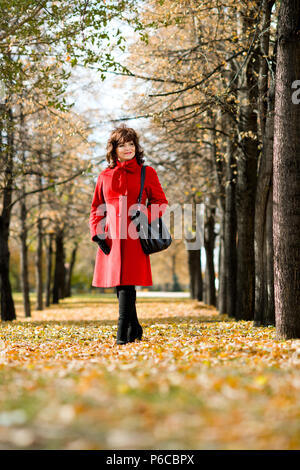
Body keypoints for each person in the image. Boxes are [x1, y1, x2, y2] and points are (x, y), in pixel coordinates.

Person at [89, 124, 169, 345]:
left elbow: (161, 203)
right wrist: (97, 234)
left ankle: (123, 333)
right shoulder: (104, 176)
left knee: (127, 283)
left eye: (131, 144)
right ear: (113, 149)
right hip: (111, 240)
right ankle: (135, 328)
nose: (127, 149)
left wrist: (142, 216)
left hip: (134, 237)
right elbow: (96, 207)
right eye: (122, 145)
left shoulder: (147, 172)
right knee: (120, 283)